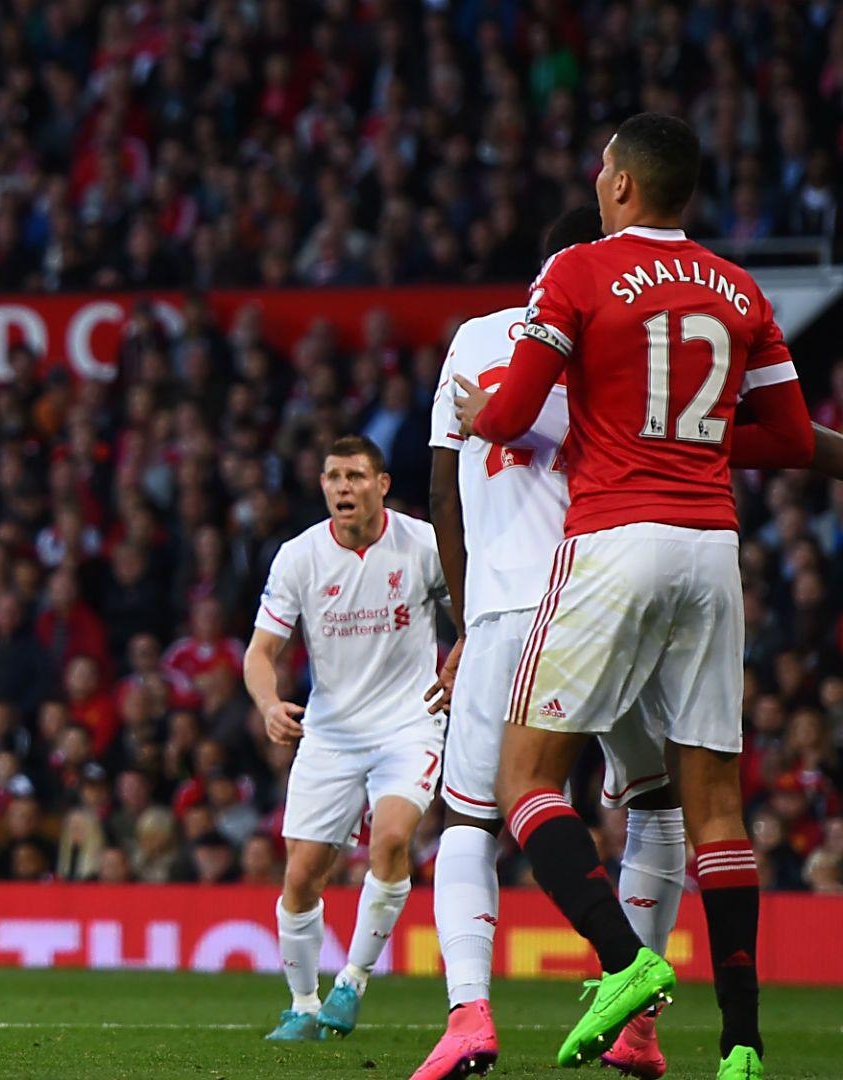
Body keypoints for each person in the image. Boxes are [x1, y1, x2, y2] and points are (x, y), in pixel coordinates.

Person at [455, 112, 814, 1078]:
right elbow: (787, 437)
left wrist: (477, 413)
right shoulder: (742, 289)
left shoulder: (576, 268)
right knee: (717, 811)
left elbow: (516, 411)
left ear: (619, 184)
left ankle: (623, 962)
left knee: (523, 779)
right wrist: (688, 440)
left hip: (616, 534)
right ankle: (741, 1046)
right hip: (711, 546)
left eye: (601, 164)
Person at [414, 208, 687, 1080]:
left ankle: (470, 1019)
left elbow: (444, 497)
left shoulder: (472, 340)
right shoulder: (631, 344)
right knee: (656, 803)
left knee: (470, 817)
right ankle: (637, 1031)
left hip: (505, 605)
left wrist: (462, 620)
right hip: (615, 592)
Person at [242, 434, 449, 1042]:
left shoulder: (424, 545)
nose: (342, 488)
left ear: (381, 485)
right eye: (333, 477)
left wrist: (459, 653)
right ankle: (303, 1006)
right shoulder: (299, 557)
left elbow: (471, 608)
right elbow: (260, 652)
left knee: (390, 840)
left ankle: (352, 982)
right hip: (330, 733)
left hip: (409, 723)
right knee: (303, 876)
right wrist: (267, 703)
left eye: (355, 476)